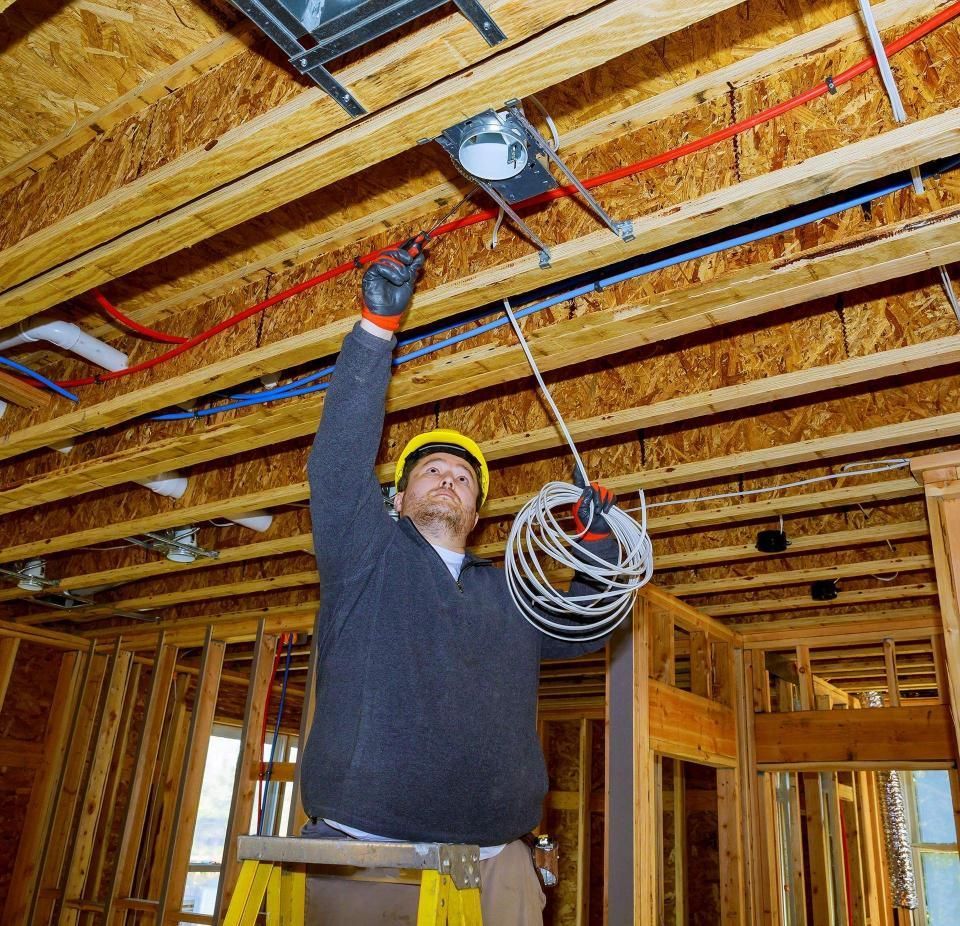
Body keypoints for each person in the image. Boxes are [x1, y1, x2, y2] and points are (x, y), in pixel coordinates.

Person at [300, 244, 619, 924]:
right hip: (368, 857)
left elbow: (588, 625)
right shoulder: (366, 559)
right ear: (397, 498)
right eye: (429, 471)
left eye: (462, 477)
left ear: (475, 515)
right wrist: (374, 332)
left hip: (494, 863)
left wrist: (596, 543)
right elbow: (336, 464)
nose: (447, 478)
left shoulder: (511, 593)